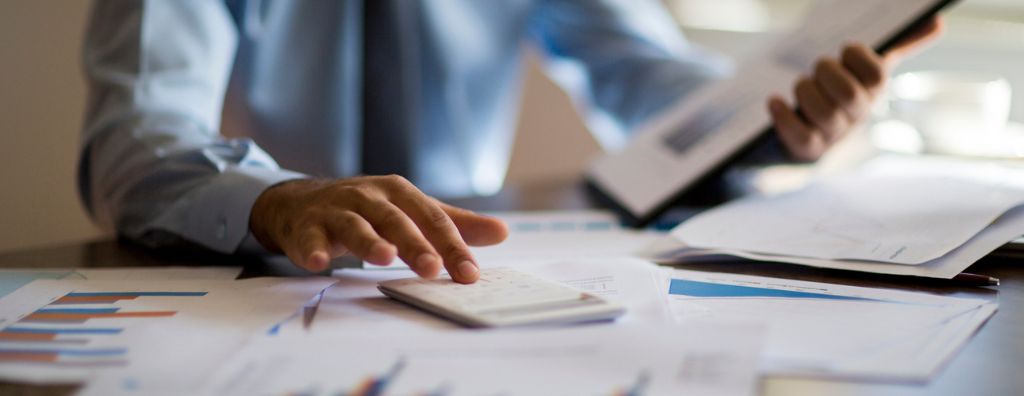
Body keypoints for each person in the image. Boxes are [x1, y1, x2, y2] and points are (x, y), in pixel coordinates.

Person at [79, 1, 942, 284]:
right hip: (272, 273)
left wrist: (780, 119)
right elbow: (136, 136)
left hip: (470, 280)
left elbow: (646, 78)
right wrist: (276, 196)